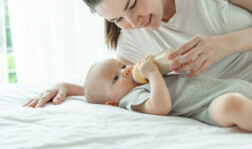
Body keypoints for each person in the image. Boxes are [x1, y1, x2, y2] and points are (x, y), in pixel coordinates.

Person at [24, 0, 252, 114]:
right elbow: (114, 86)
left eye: (132, 4)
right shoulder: (131, 41)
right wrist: (67, 87)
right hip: (239, 103)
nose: (134, 22)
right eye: (118, 19)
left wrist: (225, 44)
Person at [82, 55, 252, 131]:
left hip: (236, 86)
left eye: (123, 66)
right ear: (113, 104)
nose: (126, 71)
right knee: (231, 105)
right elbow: (160, 107)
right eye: (115, 78)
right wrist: (154, 74)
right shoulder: (131, 98)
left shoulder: (146, 81)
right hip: (210, 107)